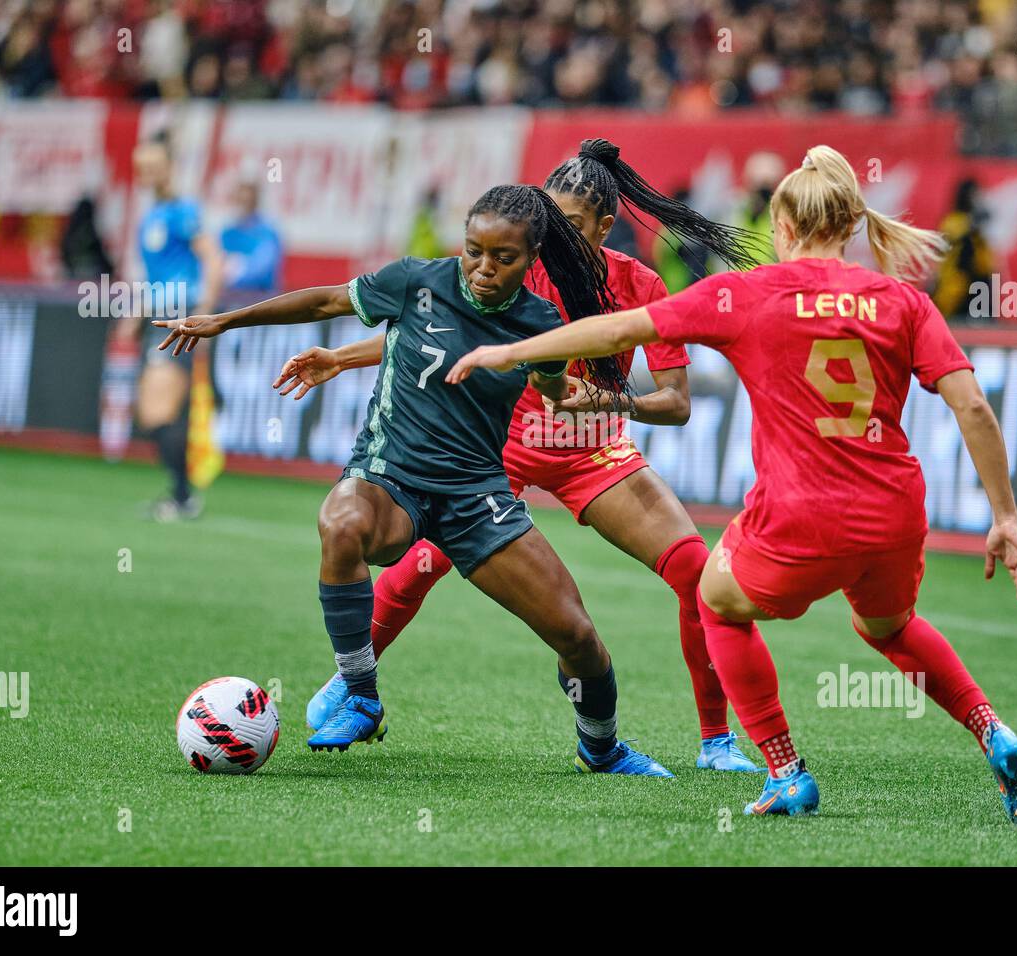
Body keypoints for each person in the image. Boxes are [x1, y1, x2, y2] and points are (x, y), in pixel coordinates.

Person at [446, 145, 1017, 830]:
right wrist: (1005, 517)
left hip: (800, 514)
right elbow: (971, 406)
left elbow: (616, 327)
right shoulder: (903, 301)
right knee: (893, 627)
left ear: (784, 226)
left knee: (717, 600)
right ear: (852, 225)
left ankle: (786, 770)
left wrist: (509, 350)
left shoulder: (747, 294)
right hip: (896, 512)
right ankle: (992, 729)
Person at [152, 184, 672, 777]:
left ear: (532, 259)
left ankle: (601, 749)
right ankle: (360, 694)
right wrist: (225, 320)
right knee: (341, 523)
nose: (483, 267)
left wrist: (604, 403)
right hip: (390, 474)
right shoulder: (417, 281)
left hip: (477, 495)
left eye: (503, 258)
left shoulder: (540, 323)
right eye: (474, 250)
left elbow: (556, 389)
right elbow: (324, 302)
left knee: (577, 637)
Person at [285, 139, 767, 773]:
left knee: (695, 572)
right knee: (420, 564)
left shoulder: (640, 284)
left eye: (569, 228)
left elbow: (676, 404)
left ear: (604, 224)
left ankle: (715, 741)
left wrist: (602, 403)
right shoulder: (517, 267)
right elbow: (434, 336)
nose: (553, 242)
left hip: (594, 454)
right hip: (500, 453)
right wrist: (341, 357)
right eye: (547, 225)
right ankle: (352, 682)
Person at [128, 133, 223, 521]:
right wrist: (133, 315)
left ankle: (183, 497)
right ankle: (182, 496)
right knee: (157, 414)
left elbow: (213, 261)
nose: (147, 173)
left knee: (159, 411)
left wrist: (205, 315)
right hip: (158, 316)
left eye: (153, 165)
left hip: (180, 318)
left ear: (169, 167)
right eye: (141, 167)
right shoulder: (151, 216)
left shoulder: (184, 212)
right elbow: (155, 276)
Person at [933, 178, 996, 323]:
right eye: (974, 194)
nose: (978, 199)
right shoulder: (952, 222)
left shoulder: (977, 225)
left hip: (977, 289)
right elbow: (954, 251)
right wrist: (973, 226)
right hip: (955, 290)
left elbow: (985, 261)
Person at [220, 178, 283, 294]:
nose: (243, 205)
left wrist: (234, 273)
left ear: (256, 201)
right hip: (230, 297)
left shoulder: (267, 232)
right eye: (240, 200)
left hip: (260, 298)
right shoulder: (228, 233)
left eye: (247, 201)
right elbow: (216, 260)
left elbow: (262, 268)